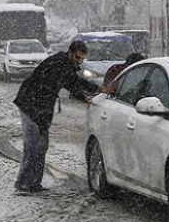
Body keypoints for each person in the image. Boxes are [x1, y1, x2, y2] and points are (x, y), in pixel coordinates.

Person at [13, 40, 116, 194]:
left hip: (42, 108)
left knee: (41, 147)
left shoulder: (66, 65)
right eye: (77, 57)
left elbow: (72, 83)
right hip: (30, 105)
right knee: (32, 147)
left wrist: (88, 94)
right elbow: (70, 82)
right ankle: (22, 184)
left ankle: (34, 184)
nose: (79, 61)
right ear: (70, 52)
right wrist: (87, 93)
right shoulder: (58, 64)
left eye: (82, 59)